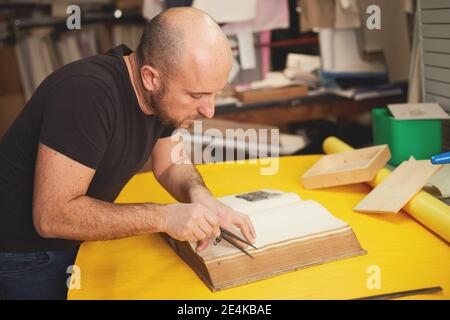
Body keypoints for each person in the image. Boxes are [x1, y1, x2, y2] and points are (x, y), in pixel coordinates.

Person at [0, 7, 255, 300]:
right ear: (150, 77)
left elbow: (172, 163)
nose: (209, 111)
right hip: (25, 255)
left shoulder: (158, 97)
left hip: (75, 239)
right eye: (196, 96)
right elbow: (53, 217)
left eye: (215, 94)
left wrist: (202, 198)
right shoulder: (86, 94)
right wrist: (164, 216)